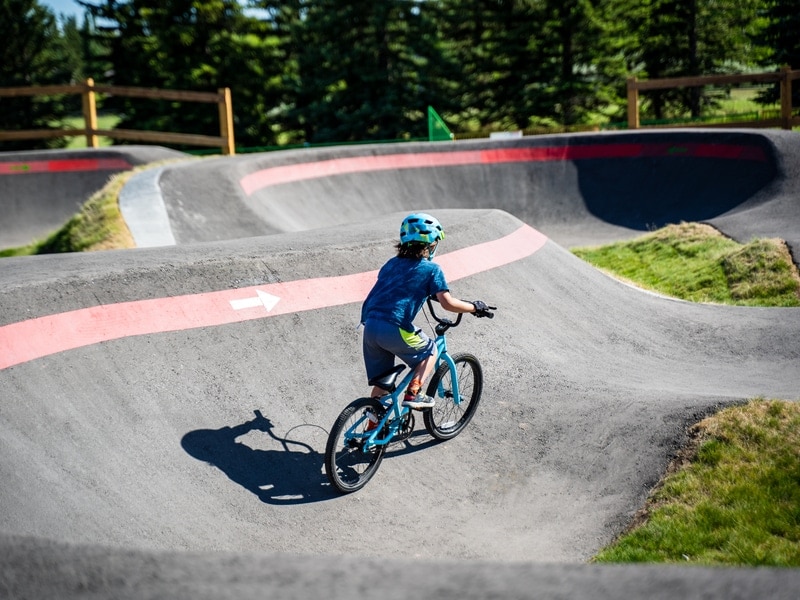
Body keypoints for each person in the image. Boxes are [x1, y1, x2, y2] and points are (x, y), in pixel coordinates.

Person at [360, 213, 493, 412]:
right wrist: (475, 307)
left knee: (383, 383)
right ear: (431, 245)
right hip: (394, 327)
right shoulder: (432, 269)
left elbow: (397, 287)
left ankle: (370, 434)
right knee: (431, 350)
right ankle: (414, 392)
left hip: (370, 326)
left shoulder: (390, 264)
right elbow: (447, 304)